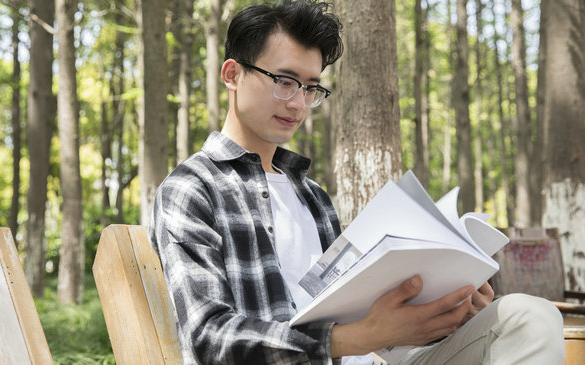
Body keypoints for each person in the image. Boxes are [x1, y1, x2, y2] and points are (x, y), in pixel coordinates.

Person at [149, 1, 565, 364]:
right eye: (284, 81)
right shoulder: (194, 189)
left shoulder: (311, 197)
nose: (297, 103)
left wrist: (446, 311)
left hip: (379, 359)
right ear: (232, 74)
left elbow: (366, 321)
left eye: (311, 87)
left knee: (529, 318)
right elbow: (209, 338)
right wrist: (357, 337)